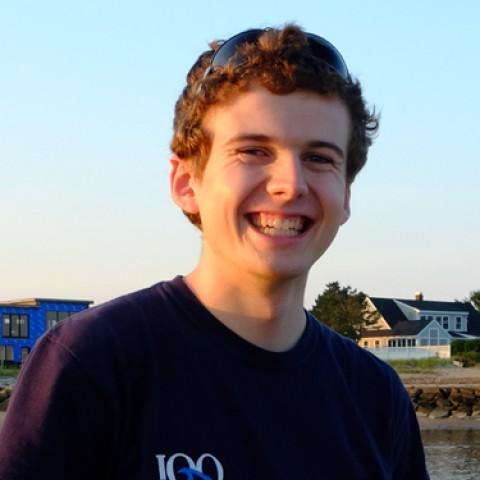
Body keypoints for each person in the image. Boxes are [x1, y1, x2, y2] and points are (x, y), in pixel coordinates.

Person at [0, 25, 429, 479]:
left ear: (345, 196)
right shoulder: (92, 364)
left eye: (319, 158)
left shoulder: (376, 398)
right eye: (253, 151)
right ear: (186, 184)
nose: (290, 185)